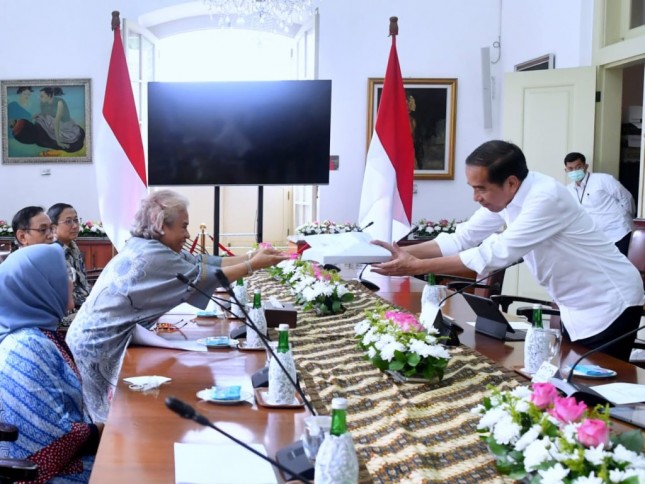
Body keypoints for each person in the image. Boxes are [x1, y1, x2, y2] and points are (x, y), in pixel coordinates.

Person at [372, 140, 644, 361]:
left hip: (611, 303)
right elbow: (463, 237)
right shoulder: (506, 198)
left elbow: (495, 254)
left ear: (511, 183)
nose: (475, 197)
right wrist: (397, 254)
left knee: (595, 394)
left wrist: (416, 267)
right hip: (576, 305)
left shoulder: (545, 198)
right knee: (571, 386)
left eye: (481, 189)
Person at [66, 189, 289, 422]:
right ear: (162, 225)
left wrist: (252, 257)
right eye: (183, 226)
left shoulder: (151, 246)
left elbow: (204, 262)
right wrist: (253, 265)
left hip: (96, 337)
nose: (188, 234)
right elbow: (203, 276)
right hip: (96, 342)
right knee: (105, 416)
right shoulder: (153, 256)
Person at [0, 244, 100, 482]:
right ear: (40, 286)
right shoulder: (29, 345)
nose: (71, 282)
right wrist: (103, 430)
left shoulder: (37, 334)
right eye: (65, 275)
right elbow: (48, 437)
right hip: (47, 474)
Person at [564, 152, 635, 256]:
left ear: (585, 166)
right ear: (566, 170)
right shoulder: (568, 190)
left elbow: (627, 198)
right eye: (570, 169)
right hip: (597, 239)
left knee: (622, 270)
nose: (574, 171)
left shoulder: (603, 179)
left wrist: (627, 217)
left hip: (619, 233)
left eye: (578, 167)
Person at [48, 203, 90, 320]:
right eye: (68, 222)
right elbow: (63, 295)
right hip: (66, 313)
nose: (75, 226)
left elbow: (82, 283)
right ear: (53, 227)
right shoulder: (52, 252)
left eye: (76, 220)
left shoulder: (73, 247)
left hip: (84, 305)